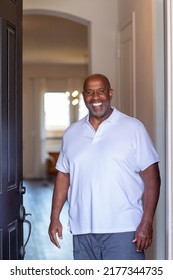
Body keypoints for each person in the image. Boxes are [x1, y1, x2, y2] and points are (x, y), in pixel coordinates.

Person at [48, 73, 160, 260]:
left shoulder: (133, 128)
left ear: (110, 93)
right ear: (84, 96)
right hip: (82, 230)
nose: (95, 97)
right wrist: (54, 218)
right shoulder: (71, 133)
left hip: (124, 230)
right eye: (90, 92)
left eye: (101, 91)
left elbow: (152, 178)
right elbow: (63, 177)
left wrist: (147, 222)